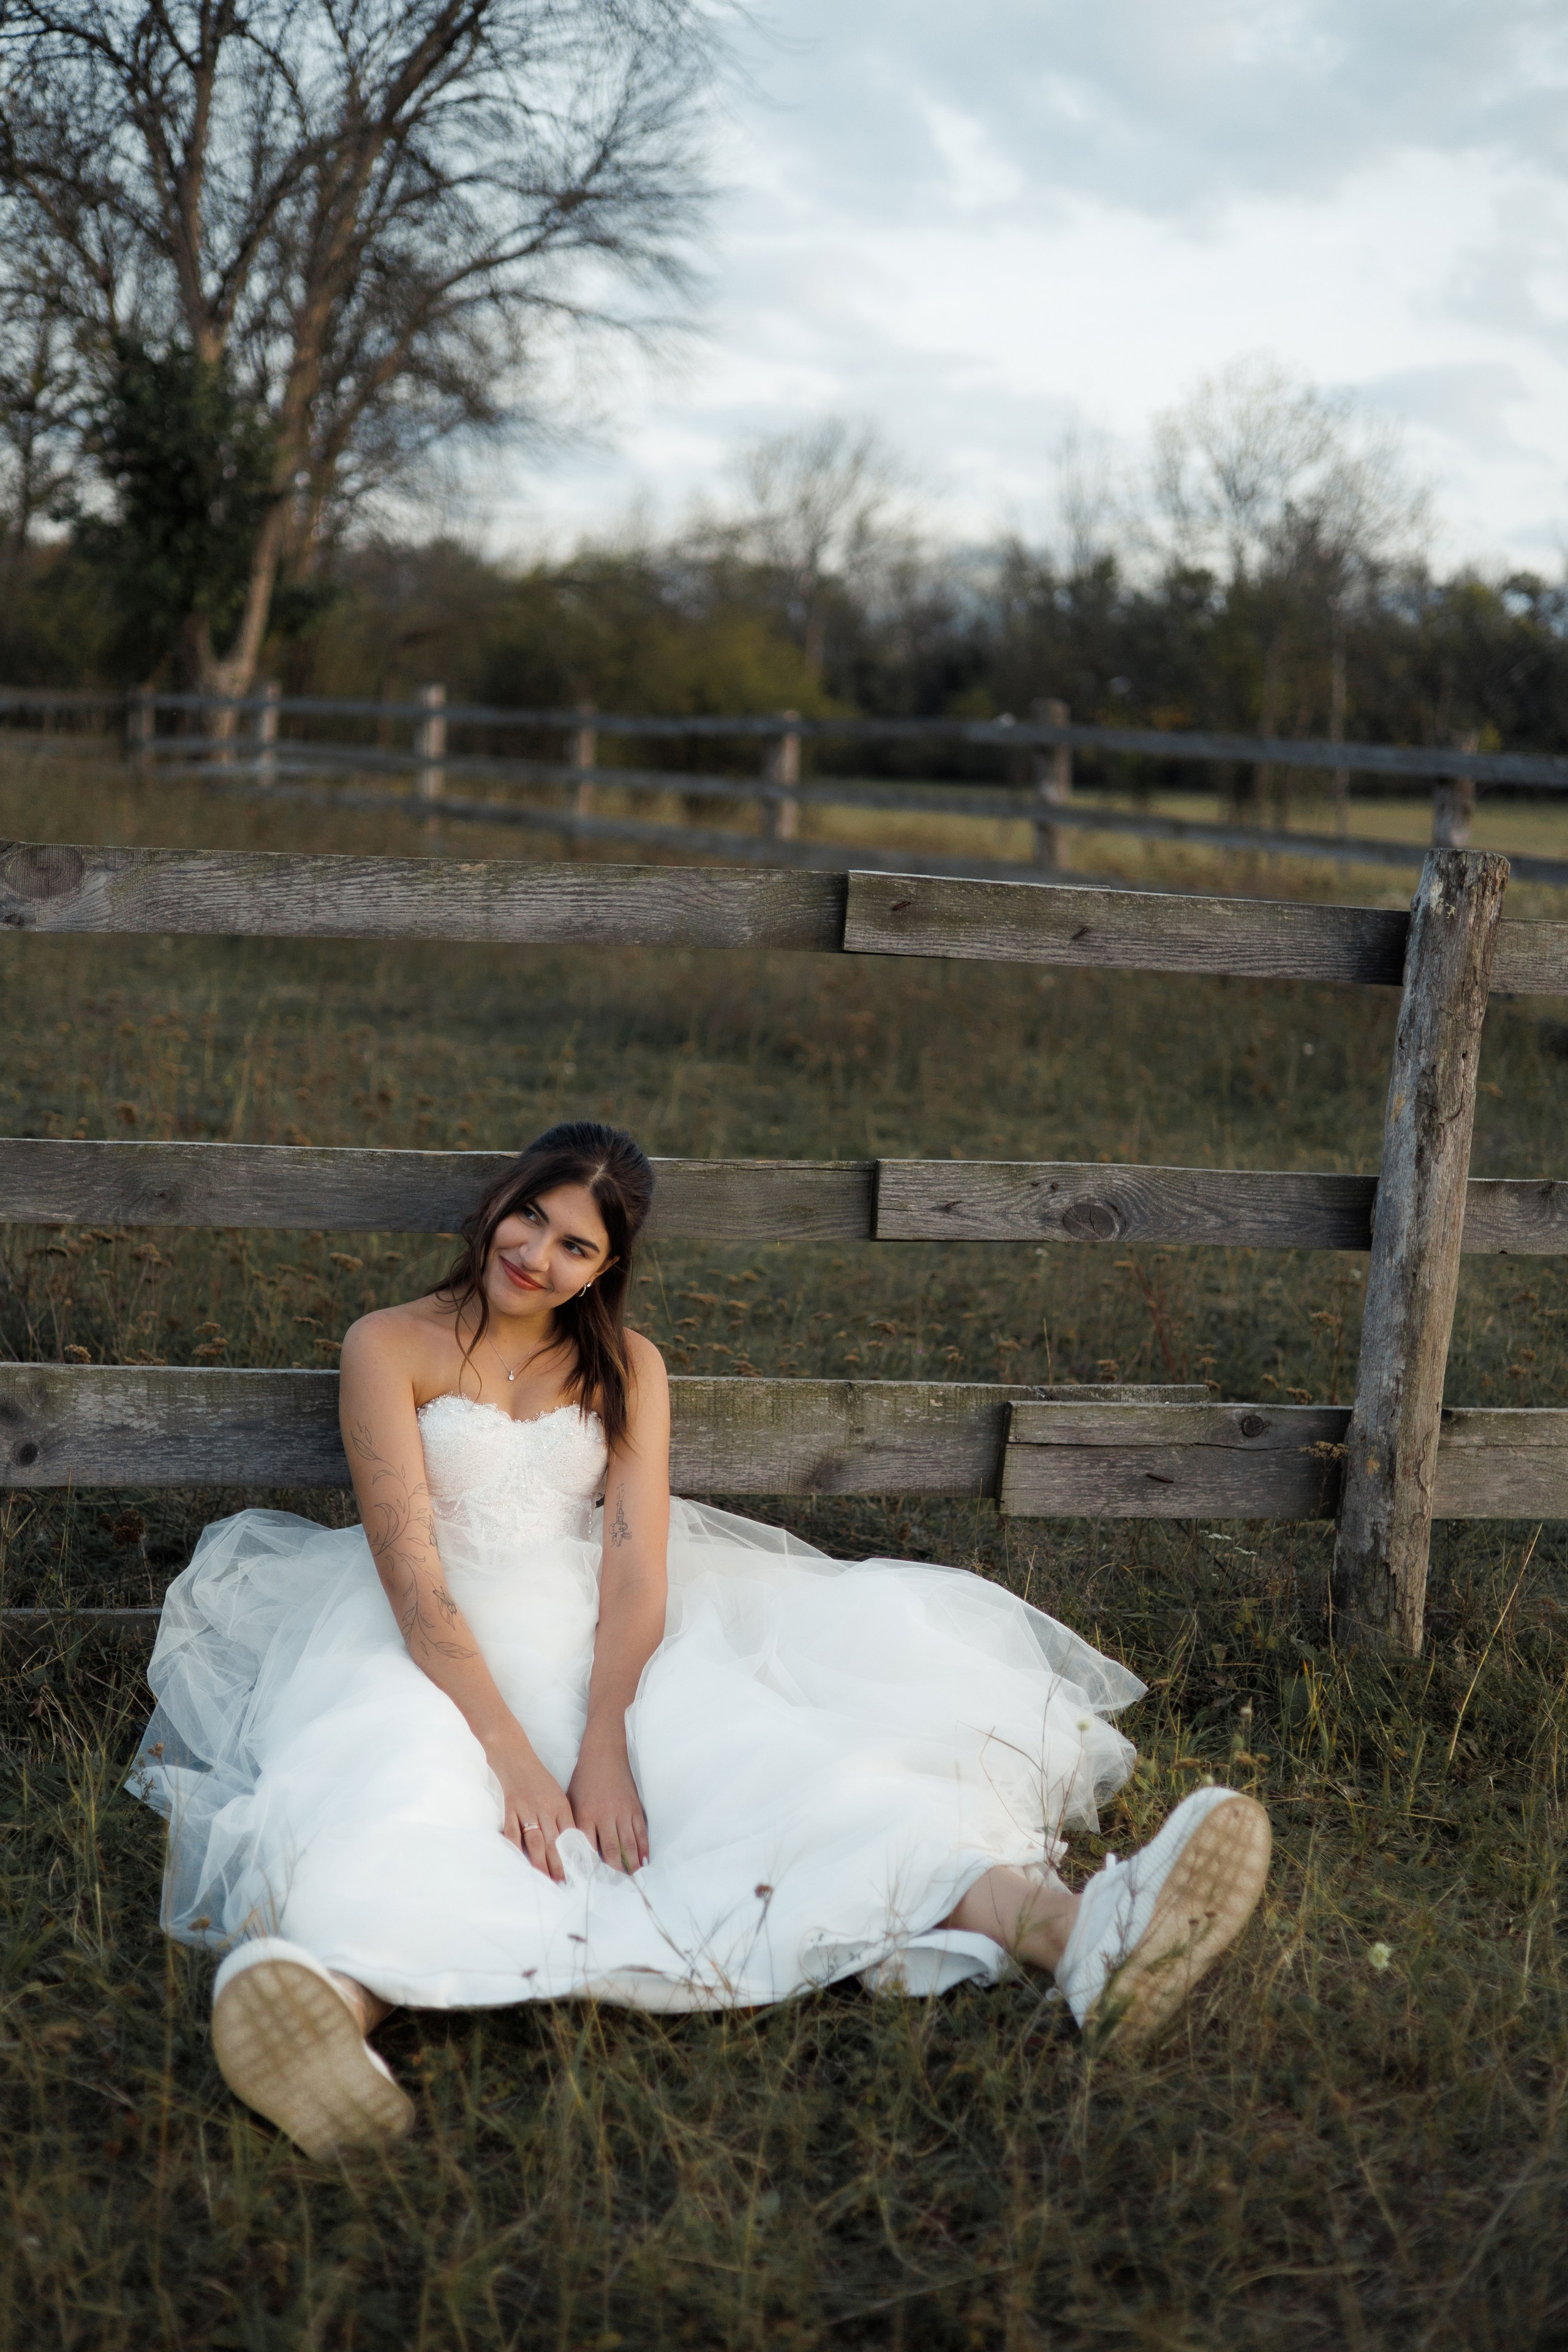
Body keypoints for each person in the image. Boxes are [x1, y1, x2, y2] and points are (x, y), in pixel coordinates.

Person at [134, 1121, 1270, 2160]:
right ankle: (322, 2011)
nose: (536, 1254)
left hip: (598, 1636)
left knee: (788, 1773)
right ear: (498, 1202)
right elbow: (410, 1572)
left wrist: (605, 1737)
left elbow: (634, 1565)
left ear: (605, 1270)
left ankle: (1084, 1940)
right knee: (397, 1780)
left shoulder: (628, 1369)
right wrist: (512, 1751)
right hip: (425, 1638)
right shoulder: (391, 1344)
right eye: (529, 1215)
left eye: (575, 1247)